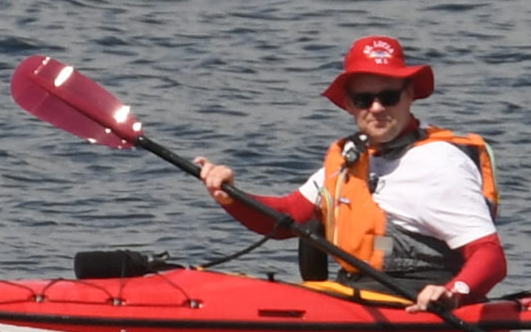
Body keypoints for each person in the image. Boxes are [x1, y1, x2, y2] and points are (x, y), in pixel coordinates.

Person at [194, 36, 506, 313]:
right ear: (348, 105)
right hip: (354, 297)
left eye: (388, 97)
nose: (376, 108)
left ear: (409, 95)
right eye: (363, 100)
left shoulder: (439, 162)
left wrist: (453, 293)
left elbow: (489, 254)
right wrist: (230, 196)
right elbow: (287, 218)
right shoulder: (349, 158)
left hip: (416, 306)